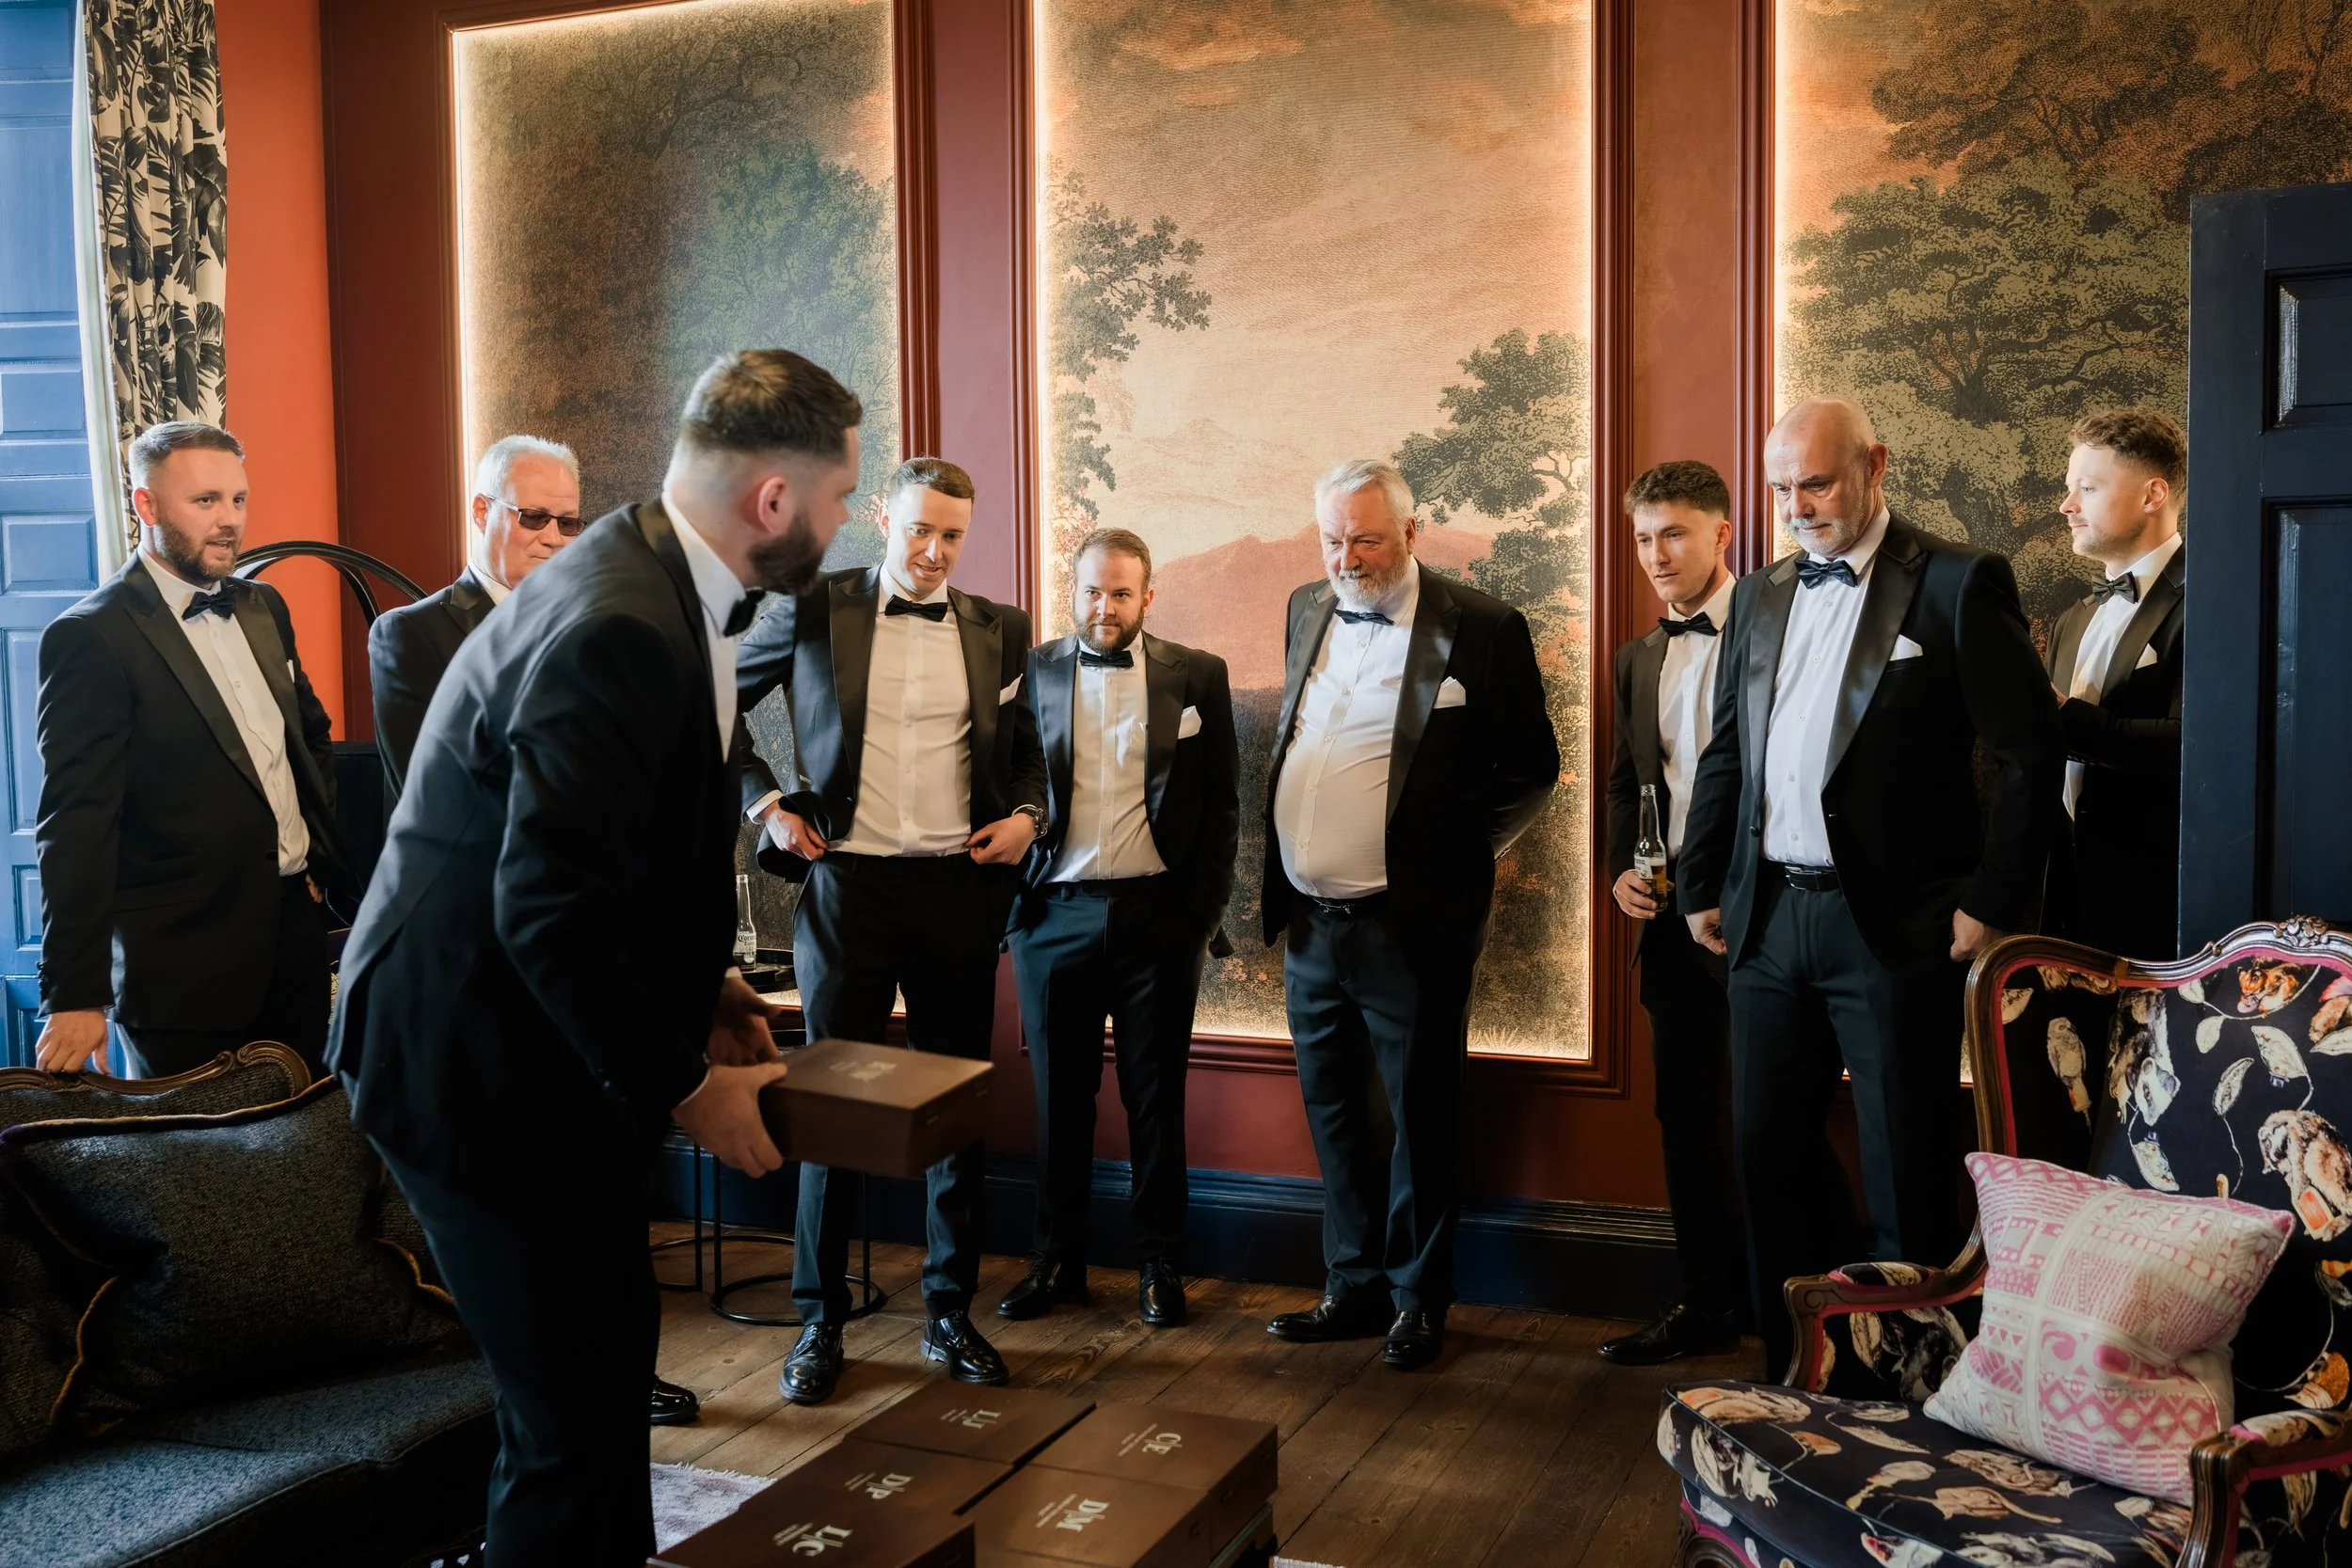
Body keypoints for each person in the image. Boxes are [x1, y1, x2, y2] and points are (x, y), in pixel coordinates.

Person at [329, 349, 861, 1568]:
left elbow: (616, 849)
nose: (843, 519)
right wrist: (689, 1083)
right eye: (836, 494)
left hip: (530, 1043)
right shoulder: (623, 618)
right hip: (465, 1061)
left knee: (603, 1377)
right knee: (572, 1427)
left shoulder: (653, 567)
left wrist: (703, 983)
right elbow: (546, 908)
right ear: (774, 500)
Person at [1679, 397, 2059, 1377]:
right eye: (1780, 487)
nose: (1797, 504)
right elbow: (1731, 748)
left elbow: (2027, 752)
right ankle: (1794, 1374)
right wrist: (1699, 879)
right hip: (1764, 918)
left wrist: (1990, 897)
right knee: (1767, 1155)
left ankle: (1915, 1388)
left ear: (1873, 465)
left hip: (1894, 926)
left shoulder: (1956, 581)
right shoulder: (1760, 593)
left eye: (1816, 481)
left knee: (1905, 1163)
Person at [733, 455, 1047, 1406]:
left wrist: (1030, 813)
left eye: (951, 534)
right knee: (834, 1107)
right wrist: (764, 804)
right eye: (917, 528)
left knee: (953, 1105)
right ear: (883, 515)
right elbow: (712, 705)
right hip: (848, 887)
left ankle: (950, 1309)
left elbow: (1028, 743)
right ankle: (820, 1318)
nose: (932, 550)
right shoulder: (811, 604)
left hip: (958, 888)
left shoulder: (1002, 627)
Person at [1260, 458, 1560, 1371]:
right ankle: (1349, 1284)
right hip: (1311, 923)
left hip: (1413, 926)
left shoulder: (1482, 626)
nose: (1345, 556)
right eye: (1331, 538)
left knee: (1421, 1117)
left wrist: (1453, 860)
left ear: (1411, 532)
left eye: (1366, 538)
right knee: (1335, 1112)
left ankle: (1418, 1298)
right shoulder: (1306, 605)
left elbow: (1532, 769)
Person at [34, 421, 347, 1079]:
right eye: (205, 501)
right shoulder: (91, 638)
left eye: (237, 499)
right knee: (196, 1177)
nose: (229, 520)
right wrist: (76, 990)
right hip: (181, 979)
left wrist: (314, 850)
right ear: (145, 506)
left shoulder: (263, 606)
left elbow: (309, 736)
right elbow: (76, 824)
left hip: (295, 944)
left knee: (310, 1163)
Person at [1001, 528, 1239, 1329]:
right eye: (1092, 592)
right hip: (1053, 918)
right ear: (1072, 591)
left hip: (1155, 922)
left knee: (1154, 1101)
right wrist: (1014, 921)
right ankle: (1056, 1261)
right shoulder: (1030, 671)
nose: (1105, 607)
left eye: (1121, 593)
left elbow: (1223, 812)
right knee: (1058, 1103)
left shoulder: (1198, 675)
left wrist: (1197, 917)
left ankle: (1157, 1262)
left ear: (1149, 593)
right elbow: (1002, 790)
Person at [1597, 460, 1746, 1366]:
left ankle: (1803, 1315)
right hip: (1664, 922)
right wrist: (1623, 871)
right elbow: (1627, 783)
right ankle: (1707, 1302)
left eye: (1675, 534)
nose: (1655, 554)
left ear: (1723, 535)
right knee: (1686, 1115)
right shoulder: (1636, 655)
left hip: (1755, 916)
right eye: (1644, 537)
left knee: (1776, 1119)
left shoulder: (1773, 625)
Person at [369, 434, 583, 796]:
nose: (554, 538)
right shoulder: (411, 633)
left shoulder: (589, 627)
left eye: (568, 523)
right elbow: (431, 791)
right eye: (534, 518)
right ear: (482, 512)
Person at [2046, 408, 2186, 962]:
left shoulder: (2215, 600)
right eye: (2068, 488)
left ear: (2153, 495)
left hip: (2161, 904)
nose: (2067, 505)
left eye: (2087, 487)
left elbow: (2191, 748)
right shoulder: (2072, 619)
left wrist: (2057, 716)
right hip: (2064, 903)